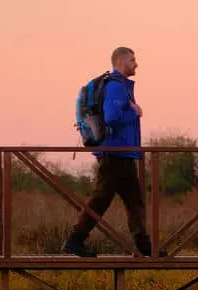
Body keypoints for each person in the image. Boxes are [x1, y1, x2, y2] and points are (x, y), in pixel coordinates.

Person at [62, 47, 165, 258]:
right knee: (100, 200)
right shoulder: (116, 87)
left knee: (134, 200)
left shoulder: (121, 86)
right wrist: (134, 112)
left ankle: (144, 245)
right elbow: (111, 118)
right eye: (132, 60)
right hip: (114, 154)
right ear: (120, 61)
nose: (136, 64)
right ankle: (74, 240)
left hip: (125, 154)